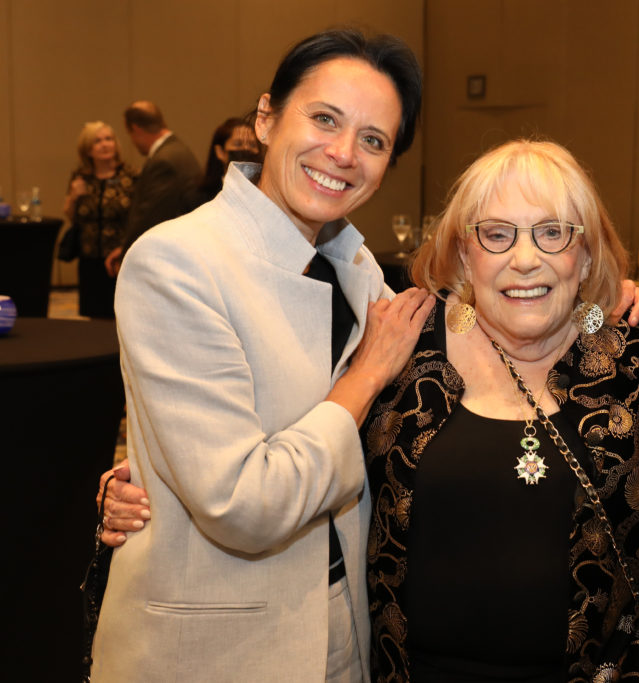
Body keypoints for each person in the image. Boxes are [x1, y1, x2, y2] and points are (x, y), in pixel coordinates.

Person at [90, 29, 433, 683]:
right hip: (219, 648)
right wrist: (365, 376)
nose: (343, 153)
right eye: (325, 118)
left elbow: (475, 333)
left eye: (374, 139)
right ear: (267, 116)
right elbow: (242, 504)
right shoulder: (178, 260)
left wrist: (598, 301)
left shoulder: (351, 264)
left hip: (341, 623)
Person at [364, 139, 639, 681]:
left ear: (587, 253)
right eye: (497, 234)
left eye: (552, 233)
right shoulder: (403, 348)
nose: (525, 260)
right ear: (463, 254)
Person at [103, 100, 201, 275]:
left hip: (167, 258)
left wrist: (127, 254)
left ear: (136, 129)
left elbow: (149, 215)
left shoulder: (164, 160)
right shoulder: (177, 149)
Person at [62, 121, 137, 318]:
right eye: (97, 141)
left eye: (108, 139)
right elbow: (71, 215)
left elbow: (138, 216)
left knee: (122, 315)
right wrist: (73, 197)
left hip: (119, 258)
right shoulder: (81, 177)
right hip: (90, 258)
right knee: (94, 318)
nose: (104, 145)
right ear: (88, 150)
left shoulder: (130, 175)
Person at [190, 116, 263, 208]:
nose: (246, 149)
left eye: (252, 145)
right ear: (220, 152)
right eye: (238, 144)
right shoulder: (196, 197)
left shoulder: (264, 196)